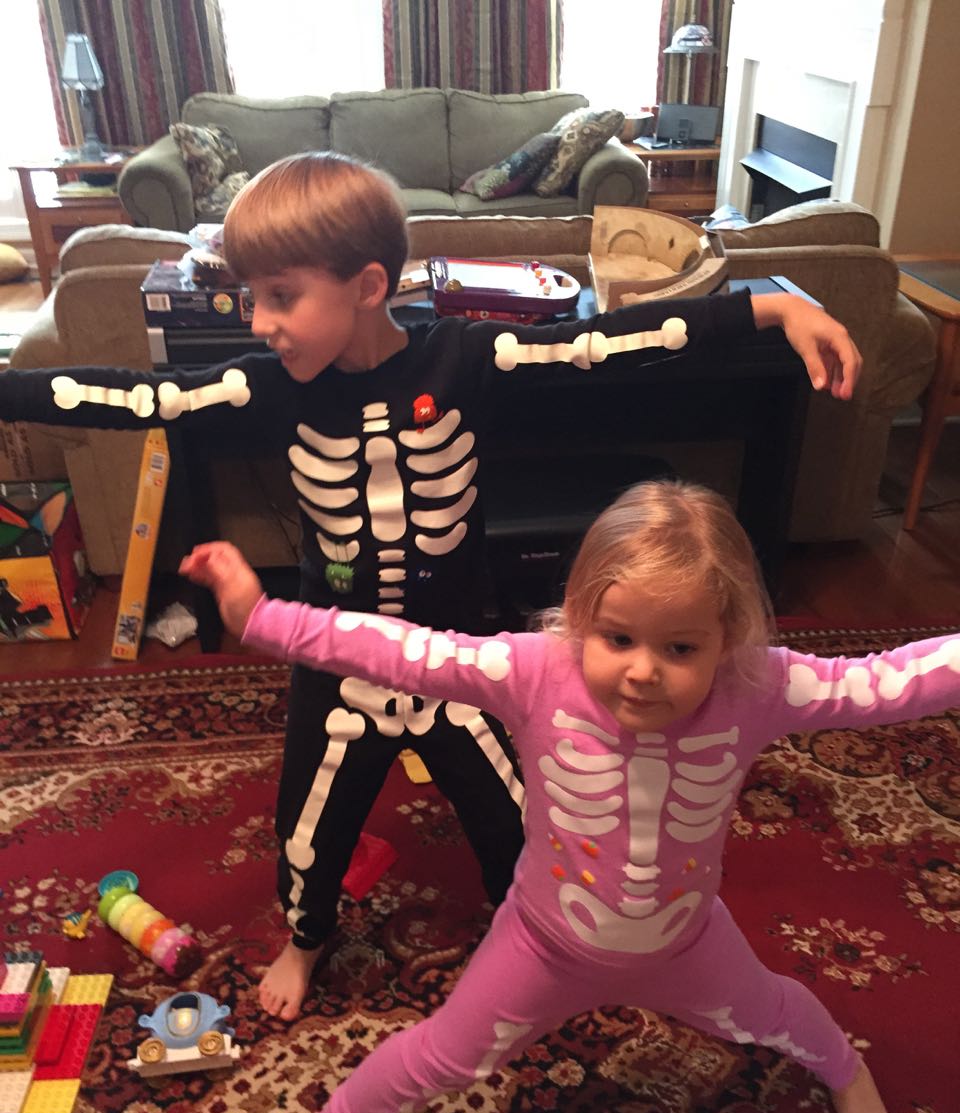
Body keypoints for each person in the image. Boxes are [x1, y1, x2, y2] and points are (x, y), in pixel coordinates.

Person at [0, 152, 862, 1023]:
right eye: (253, 297)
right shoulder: (265, 385)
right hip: (337, 659)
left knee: (524, 825)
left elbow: (602, 343)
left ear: (368, 285)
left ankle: (536, 934)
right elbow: (139, 399)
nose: (260, 323)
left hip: (462, 659)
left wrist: (769, 307)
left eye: (282, 296)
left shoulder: (466, 355)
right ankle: (307, 938)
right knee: (307, 829)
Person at [180, 475, 960, 1113]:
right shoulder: (535, 669)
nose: (644, 669)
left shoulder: (756, 685)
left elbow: (885, 682)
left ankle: (846, 1070)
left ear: (728, 637)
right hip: (542, 943)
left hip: (688, 943)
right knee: (444, 1056)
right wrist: (263, 617)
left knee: (777, 1012)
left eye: (680, 647)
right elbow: (408, 652)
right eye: (618, 638)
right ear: (580, 615)